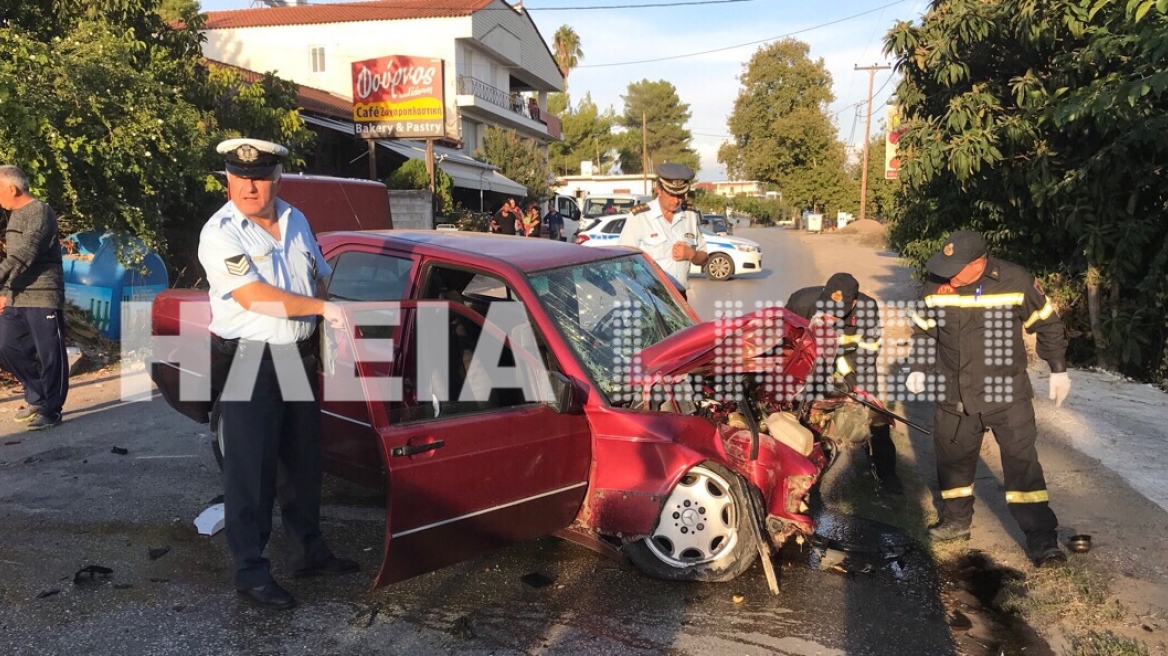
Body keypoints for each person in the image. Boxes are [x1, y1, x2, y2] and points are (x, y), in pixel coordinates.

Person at [198, 138, 358, 610]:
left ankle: (308, 551)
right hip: (249, 357)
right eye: (239, 175)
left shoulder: (296, 219)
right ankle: (250, 571)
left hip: (296, 355)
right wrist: (322, 309)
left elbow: (319, 275)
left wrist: (326, 322)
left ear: (277, 177)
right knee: (252, 469)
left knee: (302, 462)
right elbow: (254, 297)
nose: (249, 185)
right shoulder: (220, 232)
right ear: (227, 177)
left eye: (260, 176)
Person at [906, 230, 1071, 567]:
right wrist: (919, 367)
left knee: (1021, 462)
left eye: (956, 267)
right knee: (952, 459)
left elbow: (1047, 323)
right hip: (954, 391)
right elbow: (924, 330)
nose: (948, 273)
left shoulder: (1015, 279)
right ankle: (955, 522)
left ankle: (1040, 535)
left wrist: (1057, 368)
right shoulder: (935, 285)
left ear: (979, 262)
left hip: (1005, 391)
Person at [786, 272, 902, 497]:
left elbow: (868, 353)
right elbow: (786, 342)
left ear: (854, 303)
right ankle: (802, 466)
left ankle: (887, 475)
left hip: (855, 362)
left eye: (837, 313)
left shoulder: (868, 310)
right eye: (827, 309)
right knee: (798, 410)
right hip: (814, 360)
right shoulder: (801, 301)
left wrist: (844, 376)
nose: (830, 316)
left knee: (875, 418)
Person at [0, 165, 68, 430]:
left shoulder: (41, 211)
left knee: (50, 354)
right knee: (8, 345)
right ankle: (38, 397)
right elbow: (14, 260)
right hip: (18, 295)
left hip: (43, 296)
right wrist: (5, 293)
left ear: (12, 189)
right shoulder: (14, 216)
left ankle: (52, 410)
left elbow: (25, 253)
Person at [617, 163, 709, 298]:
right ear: (659, 190)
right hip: (648, 296)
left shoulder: (690, 214)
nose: (677, 200)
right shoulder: (640, 216)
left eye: (681, 195)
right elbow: (624, 262)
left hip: (680, 296)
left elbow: (704, 257)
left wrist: (691, 255)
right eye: (672, 194)